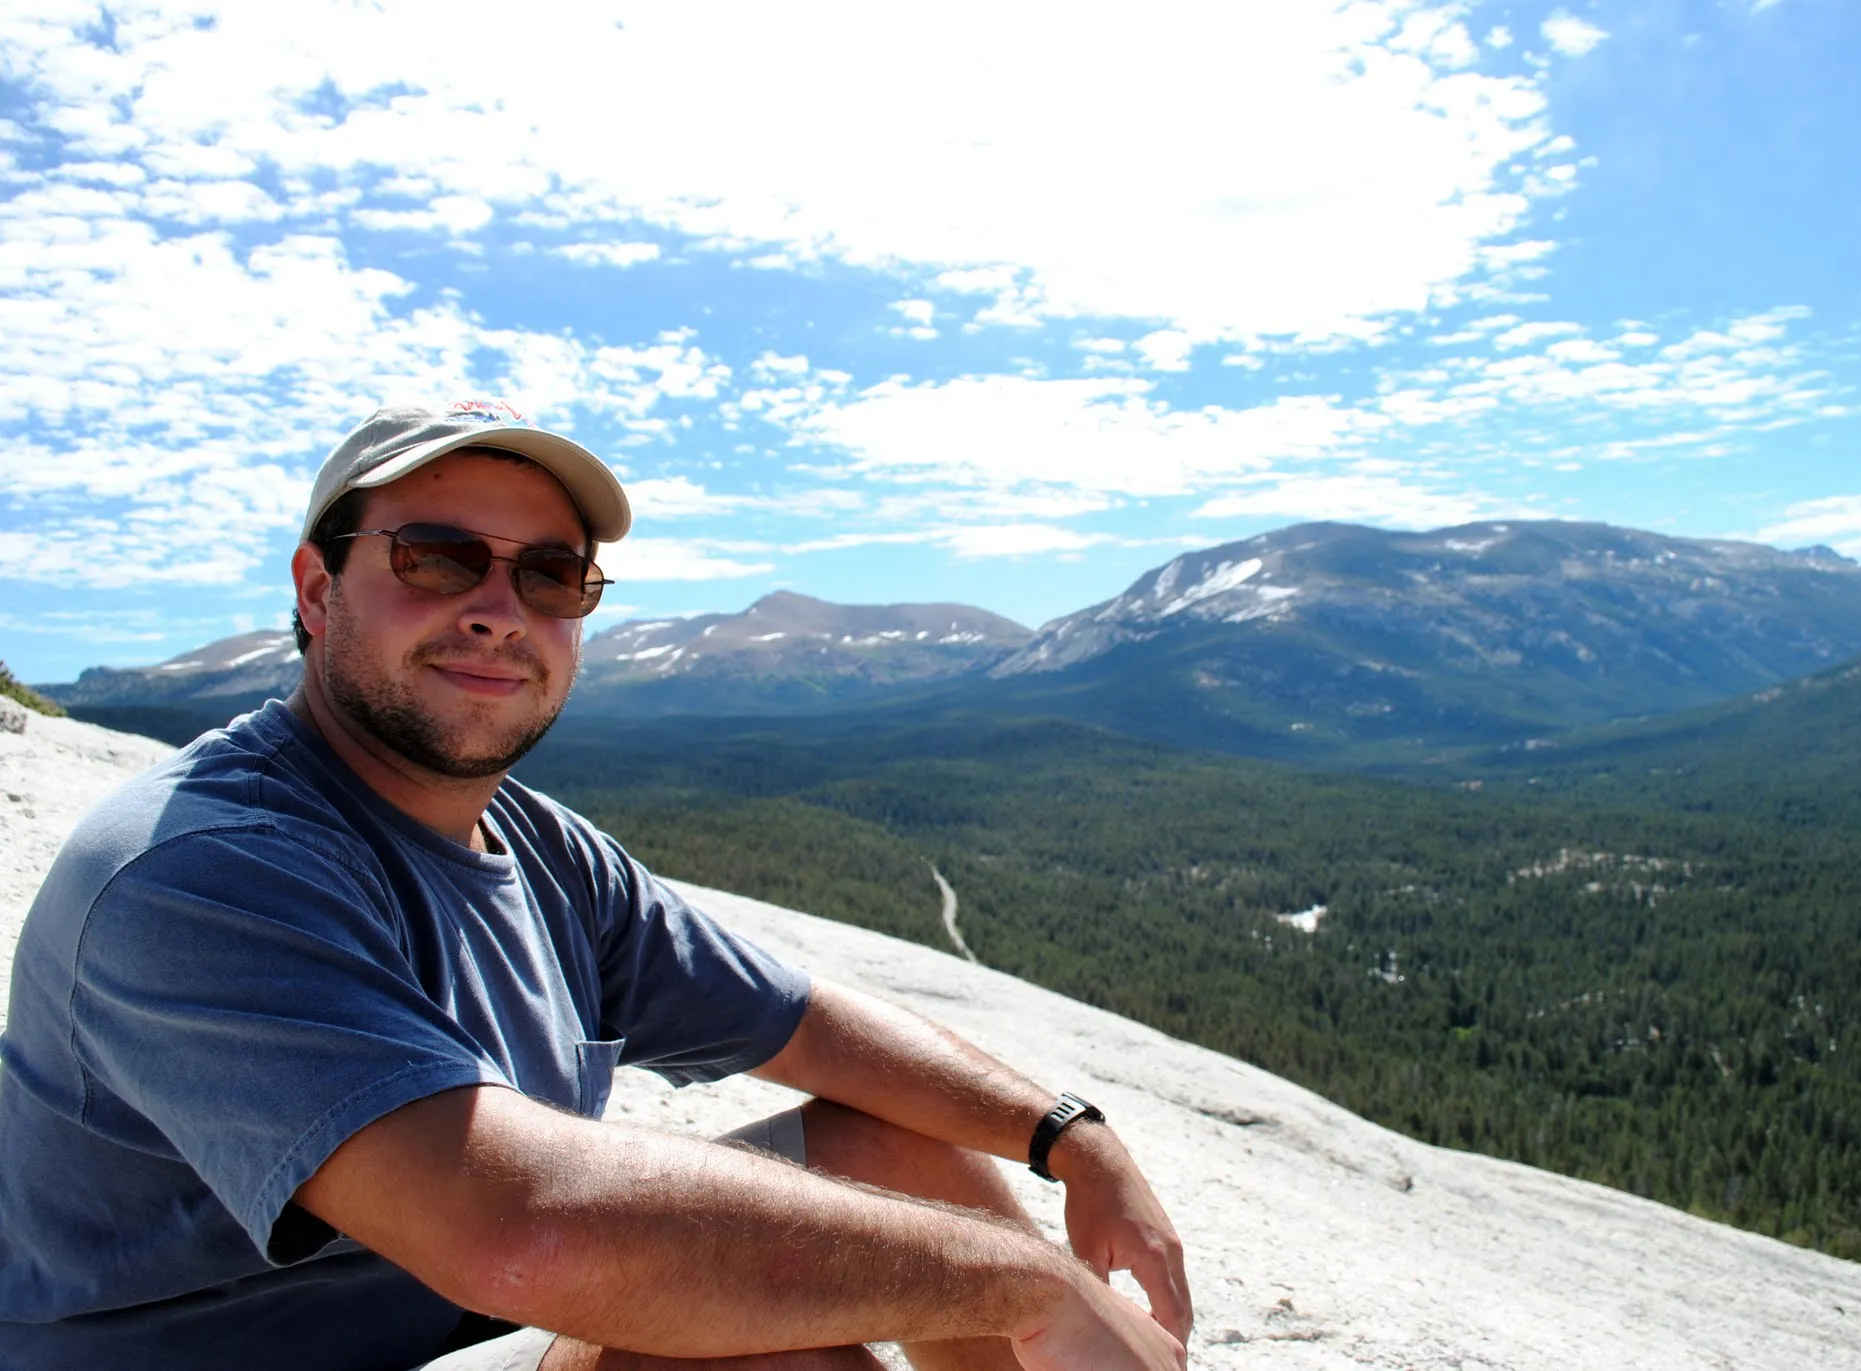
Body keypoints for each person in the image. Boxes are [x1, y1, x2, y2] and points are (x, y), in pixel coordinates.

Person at [0, 402, 1191, 1371]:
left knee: (906, 1156)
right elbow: (519, 1232)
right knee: (754, 1359)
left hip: (468, 1335)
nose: (497, 609)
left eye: (553, 576)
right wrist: (1027, 1279)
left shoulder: (536, 848)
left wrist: (1071, 1138)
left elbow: (804, 1024)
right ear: (317, 593)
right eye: (436, 556)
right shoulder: (199, 872)